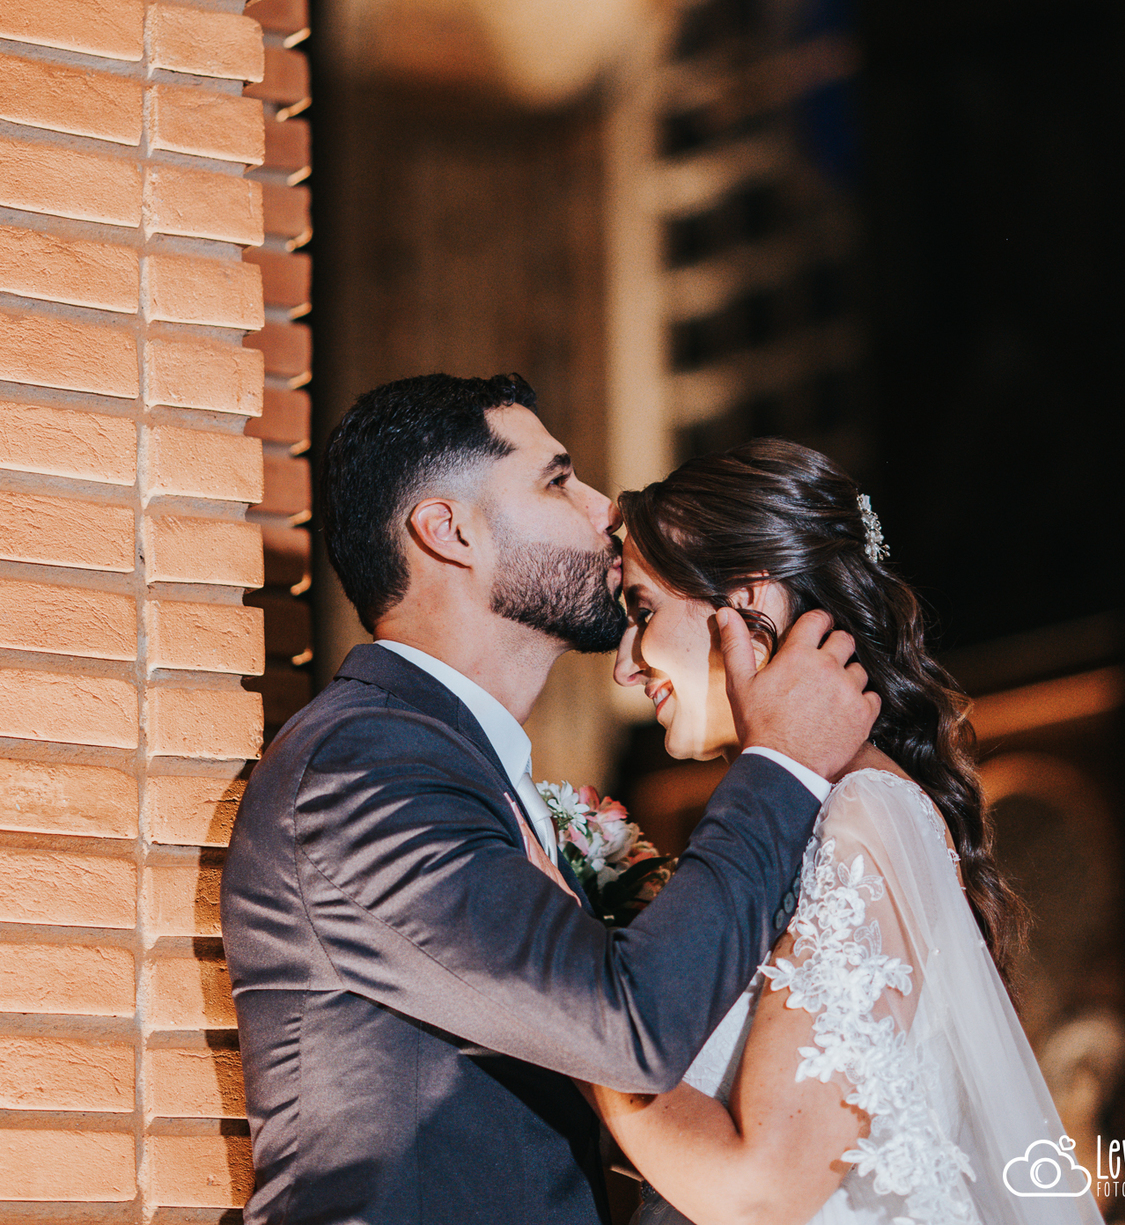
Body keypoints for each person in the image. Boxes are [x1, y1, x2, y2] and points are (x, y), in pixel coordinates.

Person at [220, 375, 879, 1225]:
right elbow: (628, 1026)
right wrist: (780, 764)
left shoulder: (452, 761)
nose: (608, 510)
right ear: (448, 531)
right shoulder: (362, 765)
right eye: (558, 480)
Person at [588, 438, 1104, 1225]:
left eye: (643, 612)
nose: (625, 665)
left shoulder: (864, 814)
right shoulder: (801, 820)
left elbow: (762, 1189)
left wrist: (587, 1019)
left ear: (748, 600)